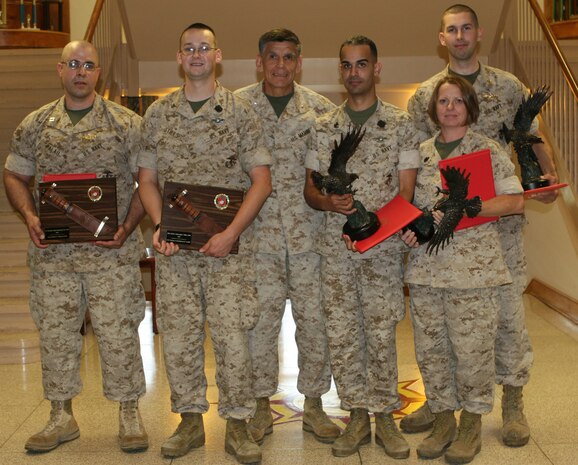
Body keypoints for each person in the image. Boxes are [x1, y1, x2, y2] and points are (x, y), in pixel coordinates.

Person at [403, 3, 559, 447]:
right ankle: (440, 405)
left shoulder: (506, 87)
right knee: (440, 327)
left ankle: (512, 401)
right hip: (441, 235)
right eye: (451, 30)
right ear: (442, 37)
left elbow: (528, 134)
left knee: (506, 317)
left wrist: (542, 180)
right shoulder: (425, 93)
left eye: (466, 28)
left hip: (495, 227)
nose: (459, 36)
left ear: (479, 33)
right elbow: (414, 152)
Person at [3, 40, 148, 453]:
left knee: (119, 334)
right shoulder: (35, 124)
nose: (80, 71)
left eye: (88, 64)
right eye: (72, 64)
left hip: (112, 256)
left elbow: (147, 181)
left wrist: (126, 226)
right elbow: (15, 176)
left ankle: (129, 413)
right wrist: (31, 217)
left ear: (98, 72)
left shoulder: (126, 123)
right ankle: (60, 416)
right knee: (56, 336)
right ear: (60, 70)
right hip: (55, 259)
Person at [137, 23, 272, 464]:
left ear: (218, 56)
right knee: (178, 339)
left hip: (228, 255)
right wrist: (161, 227)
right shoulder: (158, 115)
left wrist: (230, 233)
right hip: (176, 256)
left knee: (234, 340)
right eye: (188, 48)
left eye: (204, 48)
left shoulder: (240, 112)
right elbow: (147, 180)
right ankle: (190, 422)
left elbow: (261, 181)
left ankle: (237, 425)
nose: (196, 55)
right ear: (180, 57)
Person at [304, 35, 421, 459]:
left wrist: (375, 232)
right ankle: (355, 415)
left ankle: (385, 417)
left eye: (362, 64)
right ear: (342, 71)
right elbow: (310, 191)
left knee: (380, 331)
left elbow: (406, 194)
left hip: (383, 251)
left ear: (377, 68)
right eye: (347, 65)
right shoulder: (324, 127)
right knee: (343, 334)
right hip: (336, 252)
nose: (354, 72)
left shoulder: (401, 124)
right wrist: (328, 202)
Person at [402, 75, 525, 464]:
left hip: (475, 272)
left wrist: (471, 208)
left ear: (469, 107)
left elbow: (514, 201)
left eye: (457, 101)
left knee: (472, 351)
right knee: (432, 351)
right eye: (443, 101)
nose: (450, 107)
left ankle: (471, 423)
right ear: (433, 109)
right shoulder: (419, 153)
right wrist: (412, 229)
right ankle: (443, 420)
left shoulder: (485, 150)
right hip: (426, 272)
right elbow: (410, 205)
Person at [234, 28, 339, 445]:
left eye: (289, 57)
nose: (281, 65)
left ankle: (313, 405)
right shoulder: (236, 108)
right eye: (273, 57)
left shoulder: (321, 112)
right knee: (259, 325)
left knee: (315, 324)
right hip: (256, 242)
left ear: (300, 62)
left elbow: (332, 175)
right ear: (259, 62)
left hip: (310, 240)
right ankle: (262, 405)